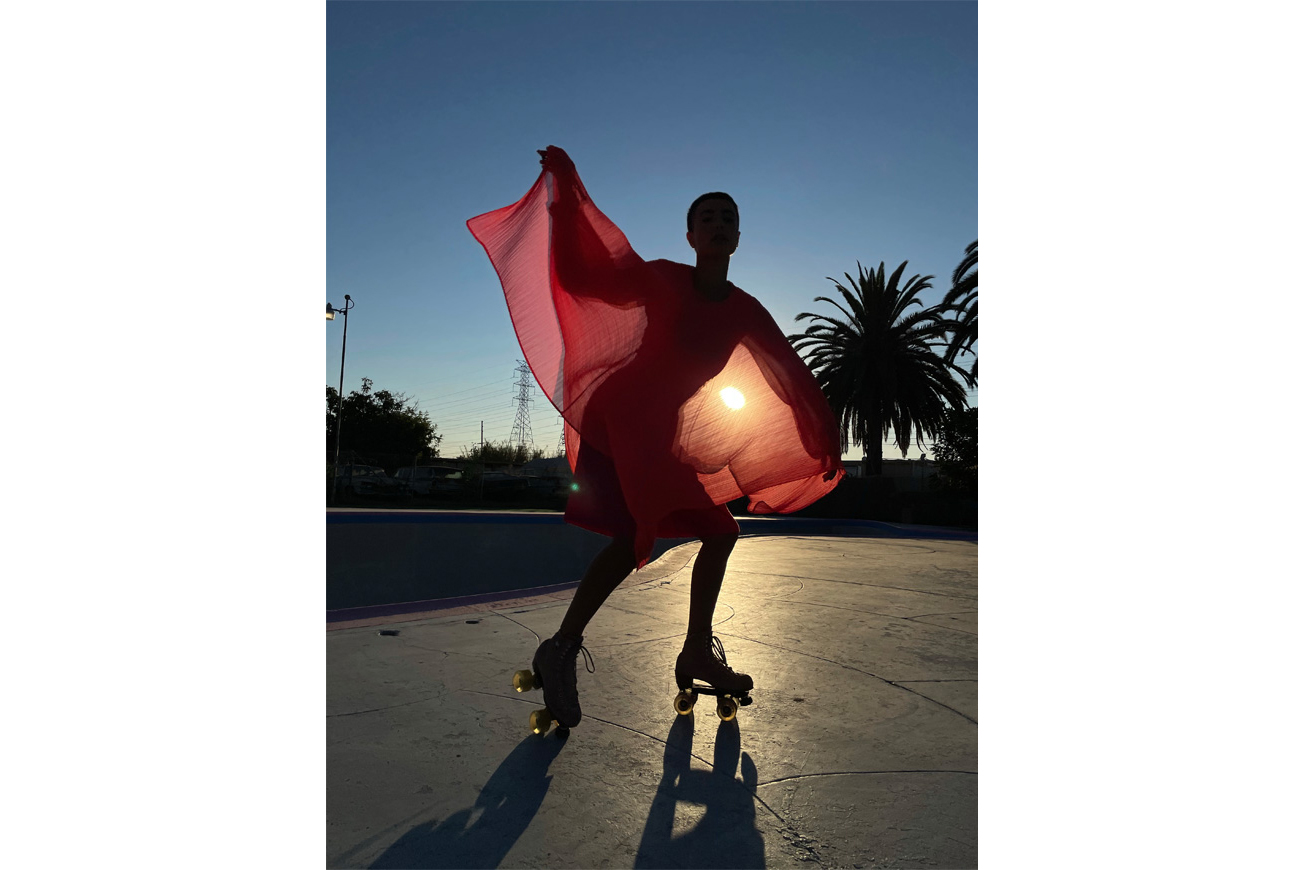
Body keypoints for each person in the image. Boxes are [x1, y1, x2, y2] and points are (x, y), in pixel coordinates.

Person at [467, 146, 844, 728]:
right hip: (624, 420)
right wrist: (566, 200)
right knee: (634, 537)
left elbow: (789, 377)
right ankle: (562, 648)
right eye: (707, 217)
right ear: (690, 236)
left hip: (660, 438)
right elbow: (590, 277)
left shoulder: (747, 311)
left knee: (720, 530)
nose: (718, 224)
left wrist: (823, 441)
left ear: (738, 238)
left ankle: (692, 650)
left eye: (727, 218)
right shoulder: (665, 278)